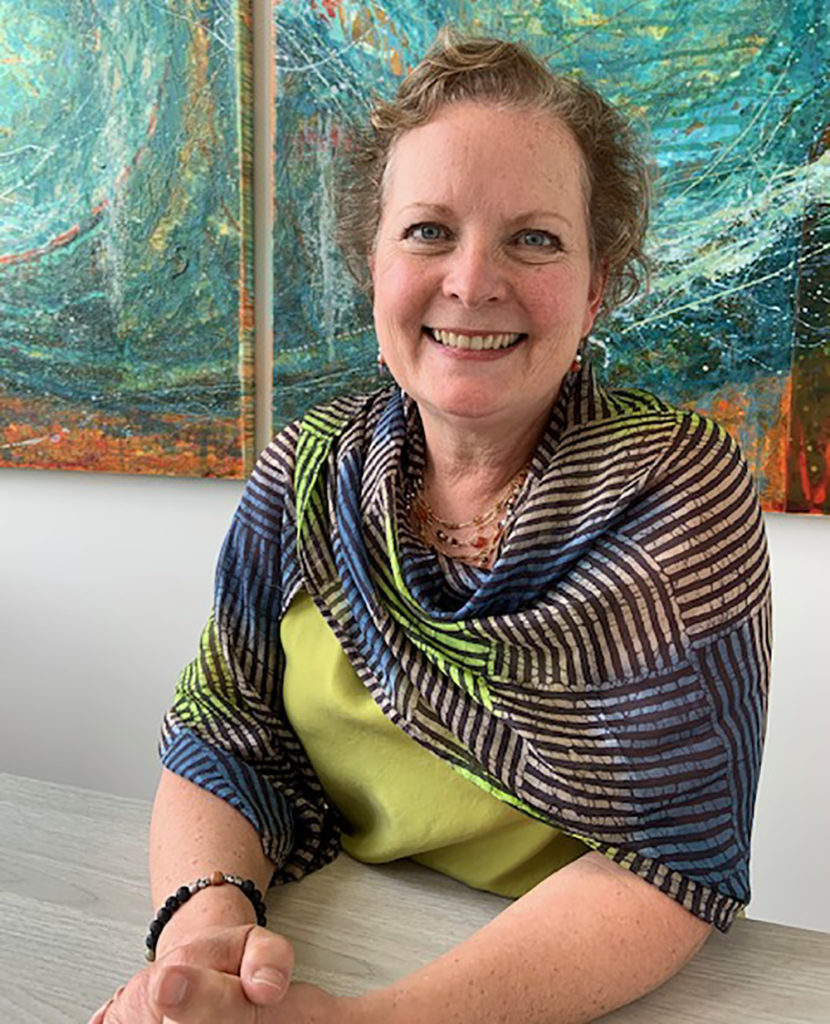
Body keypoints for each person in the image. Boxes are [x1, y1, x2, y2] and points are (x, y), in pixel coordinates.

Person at [91, 28, 771, 1024]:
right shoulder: (304, 472)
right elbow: (225, 733)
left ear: (594, 286)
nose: (469, 280)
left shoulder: (674, 491)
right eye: (426, 232)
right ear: (373, 262)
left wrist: (360, 1021)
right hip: (333, 923)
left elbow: (672, 859)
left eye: (532, 238)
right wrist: (207, 941)